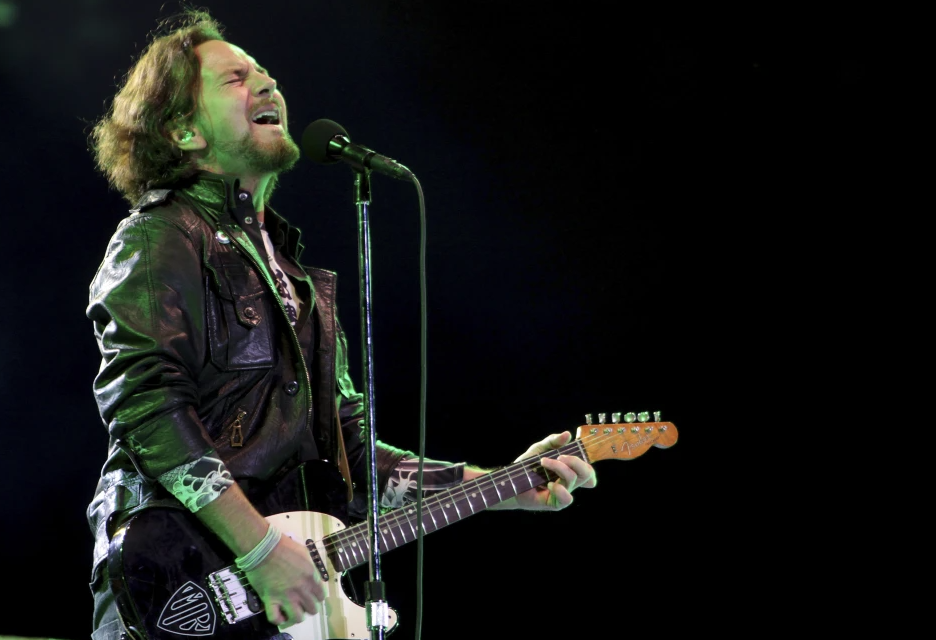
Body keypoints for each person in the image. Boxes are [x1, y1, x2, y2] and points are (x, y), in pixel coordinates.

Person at [85, 8, 597, 640]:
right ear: (185, 129)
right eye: (236, 79)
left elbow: (355, 458)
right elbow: (145, 407)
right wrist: (261, 551)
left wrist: (504, 485)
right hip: (179, 582)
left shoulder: (295, 279)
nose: (268, 85)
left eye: (266, 73)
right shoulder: (159, 236)